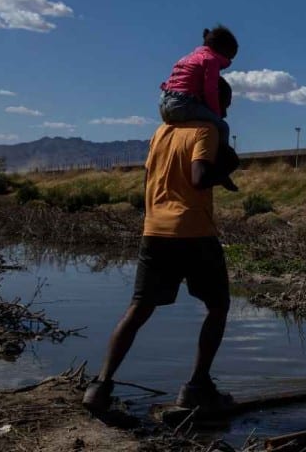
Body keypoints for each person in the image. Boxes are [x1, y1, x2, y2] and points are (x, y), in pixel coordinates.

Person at [83, 78, 237, 412]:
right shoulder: (206, 130)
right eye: (224, 104)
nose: (225, 112)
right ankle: (197, 386)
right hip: (194, 232)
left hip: (155, 231)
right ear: (210, 101)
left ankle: (100, 386)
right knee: (218, 306)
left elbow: (150, 177)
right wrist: (224, 170)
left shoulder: (161, 132)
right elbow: (198, 178)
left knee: (139, 308)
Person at [159, 25, 239, 191]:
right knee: (222, 127)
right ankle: (220, 167)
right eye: (229, 58)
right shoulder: (211, 60)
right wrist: (216, 114)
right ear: (223, 51)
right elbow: (210, 90)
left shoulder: (188, 57)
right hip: (184, 103)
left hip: (165, 103)